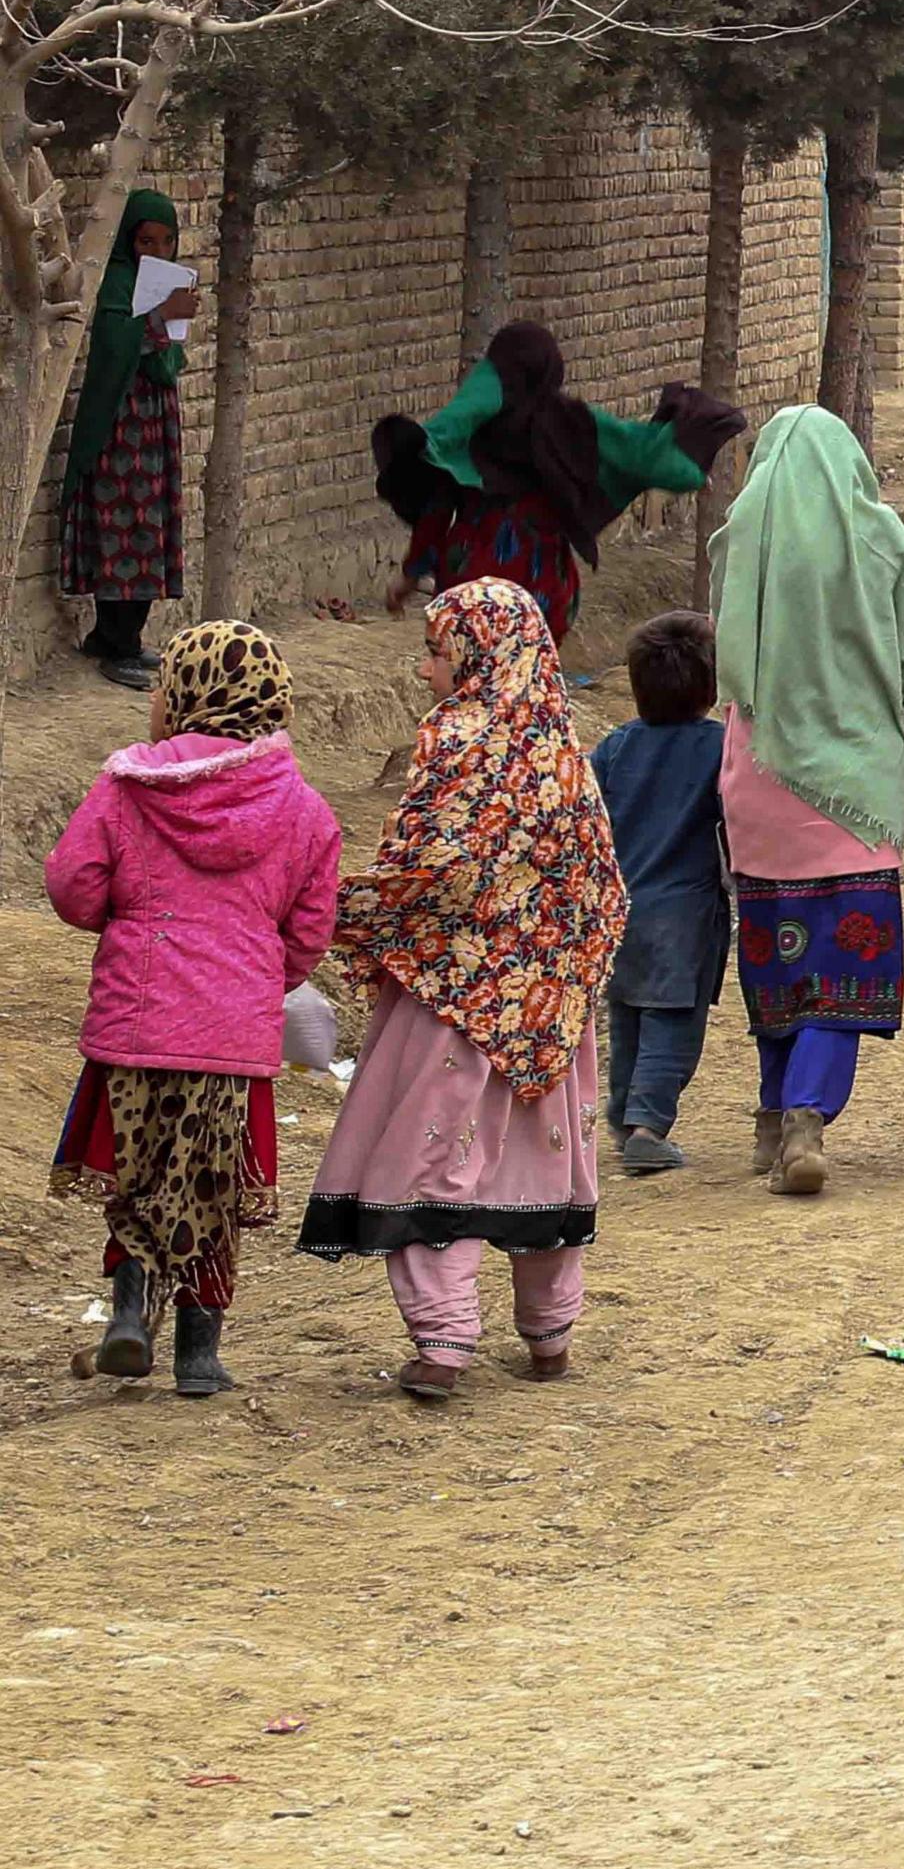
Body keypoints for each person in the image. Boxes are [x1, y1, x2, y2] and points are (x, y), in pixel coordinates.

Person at [297, 580, 625, 1400]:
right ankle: (550, 1337)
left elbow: (434, 873)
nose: (422, 671)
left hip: (451, 1006)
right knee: (545, 1173)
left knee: (431, 1162)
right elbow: (604, 891)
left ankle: (443, 1344)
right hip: (549, 1022)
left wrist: (337, 908)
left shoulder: (457, 739)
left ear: (480, 656)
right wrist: (556, 981)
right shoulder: (565, 751)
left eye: (436, 652)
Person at [49, 618, 339, 1393]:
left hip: (134, 1029)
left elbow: (74, 888)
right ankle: (199, 1355)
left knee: (137, 1178)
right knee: (211, 1186)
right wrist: (254, 979)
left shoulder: (127, 786)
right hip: (232, 1042)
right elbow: (309, 931)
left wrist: (125, 917)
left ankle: (128, 1315)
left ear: (181, 696)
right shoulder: (303, 808)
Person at [709, 405, 904, 1199]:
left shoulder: (739, 537)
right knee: (845, 959)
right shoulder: (881, 537)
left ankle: (771, 1115)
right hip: (854, 784)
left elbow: (726, 646)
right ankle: (806, 1115)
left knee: (777, 954)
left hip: (759, 778)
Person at [372, 320, 741, 644]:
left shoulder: (474, 431)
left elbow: (435, 514)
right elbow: (635, 452)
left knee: (471, 678)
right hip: (542, 589)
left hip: (469, 587)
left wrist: (408, 577)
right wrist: (689, 467)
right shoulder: (572, 425)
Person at [591, 612, 730, 1170]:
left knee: (626, 1013)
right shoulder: (719, 748)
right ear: (710, 685)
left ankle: (624, 1117)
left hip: (619, 906)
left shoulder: (615, 746)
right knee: (672, 1022)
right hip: (687, 913)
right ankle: (649, 1125)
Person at [58, 189, 200, 688]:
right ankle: (114, 644)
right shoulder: (116, 283)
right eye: (146, 242)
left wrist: (172, 318)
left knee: (151, 525)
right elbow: (116, 344)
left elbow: (167, 358)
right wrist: (160, 316)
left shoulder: (164, 282)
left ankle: (126, 639)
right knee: (124, 528)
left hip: (155, 420)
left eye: (167, 242)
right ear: (128, 241)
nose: (157, 253)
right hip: (120, 425)